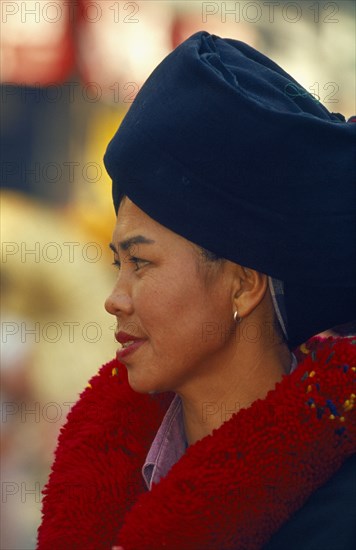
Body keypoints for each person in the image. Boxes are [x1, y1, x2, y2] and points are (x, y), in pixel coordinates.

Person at [37, 31, 356, 549]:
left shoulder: (337, 518)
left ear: (244, 284)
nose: (113, 299)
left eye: (141, 262)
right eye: (118, 262)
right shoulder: (105, 479)